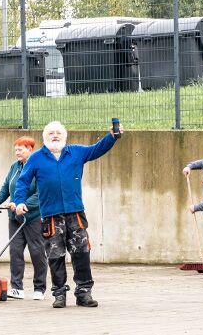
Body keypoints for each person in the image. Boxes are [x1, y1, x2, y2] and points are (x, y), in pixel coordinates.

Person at [14, 120, 122, 308]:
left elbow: (97, 149)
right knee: (55, 255)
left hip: (75, 213)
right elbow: (23, 182)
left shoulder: (76, 152)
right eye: (51, 133)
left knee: (81, 252)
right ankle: (59, 294)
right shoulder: (36, 158)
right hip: (51, 215)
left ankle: (84, 293)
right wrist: (20, 201)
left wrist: (112, 137)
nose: (55, 136)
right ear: (44, 137)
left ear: (64, 136)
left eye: (58, 133)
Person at [0, 137, 47, 300]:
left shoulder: (38, 167)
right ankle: (17, 288)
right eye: (15, 149)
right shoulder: (14, 167)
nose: (17, 152)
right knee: (15, 251)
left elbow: (40, 194)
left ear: (30, 149)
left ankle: (39, 288)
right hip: (14, 218)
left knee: (37, 252)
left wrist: (23, 205)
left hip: (33, 218)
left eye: (20, 149)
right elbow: (6, 188)